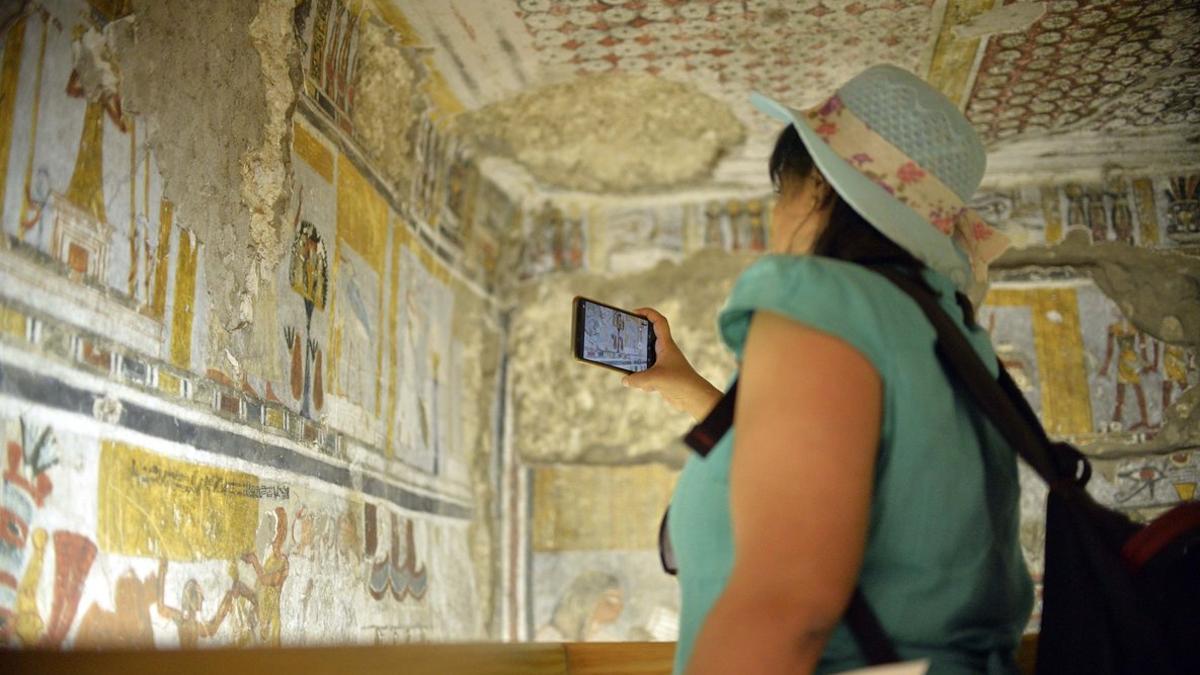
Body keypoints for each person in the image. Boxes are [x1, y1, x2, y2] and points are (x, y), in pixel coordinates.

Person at [622, 65, 1032, 674]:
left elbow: (786, 605)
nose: (776, 218)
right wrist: (684, 385)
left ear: (816, 187)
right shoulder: (947, 330)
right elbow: (837, 457)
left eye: (780, 194)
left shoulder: (822, 298)